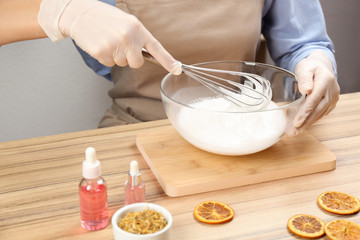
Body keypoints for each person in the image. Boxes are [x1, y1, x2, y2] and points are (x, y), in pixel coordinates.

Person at [1, 0, 339, 137]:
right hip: (133, 132)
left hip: (244, 128)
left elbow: (303, 44)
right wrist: (63, 12)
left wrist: (315, 63)